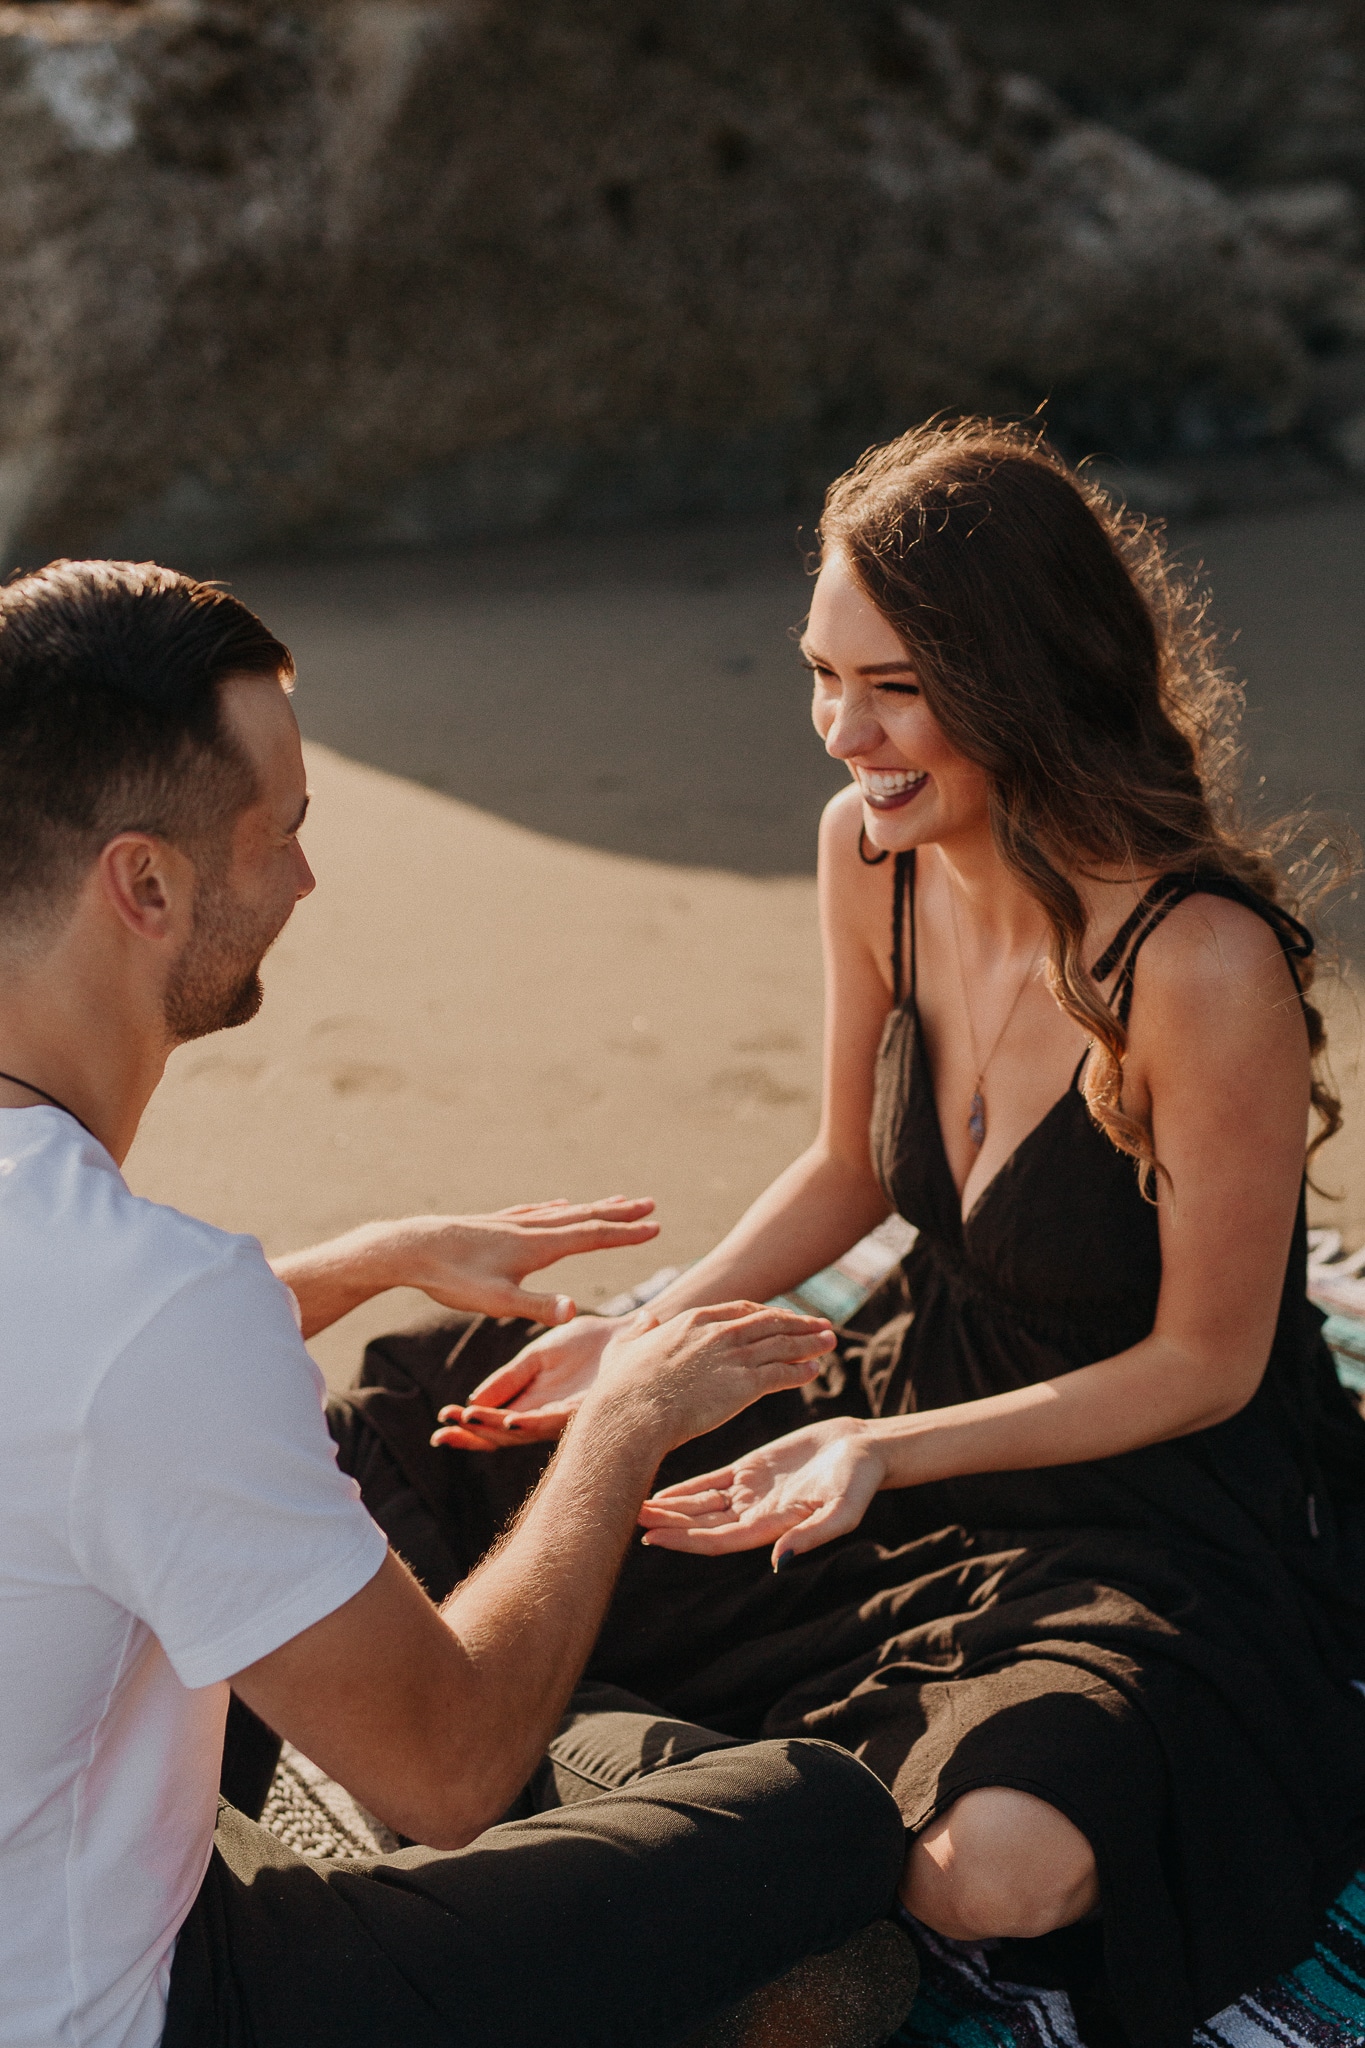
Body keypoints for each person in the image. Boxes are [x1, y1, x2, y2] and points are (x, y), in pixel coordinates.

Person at [348, 421, 1365, 2048]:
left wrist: (890, 1461)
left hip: (1145, 1503)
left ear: (1023, 673)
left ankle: (616, 1802)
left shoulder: (1199, 962)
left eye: (888, 686)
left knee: (1000, 1872)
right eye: (820, 675)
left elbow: (1204, 1364)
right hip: (897, 1393)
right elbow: (846, 1171)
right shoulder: (869, 856)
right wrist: (655, 1334)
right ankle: (658, 1796)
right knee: (406, 1423)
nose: (840, 734)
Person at [0, 558, 917, 2048]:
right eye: (279, 834)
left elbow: (57, 1379)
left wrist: (357, 1261)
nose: (304, 880)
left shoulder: (104, 1287)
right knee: (820, 1821)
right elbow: (446, 1775)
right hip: (120, 2006)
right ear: (146, 884)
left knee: (270, 1548)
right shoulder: (149, 1302)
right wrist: (620, 1430)